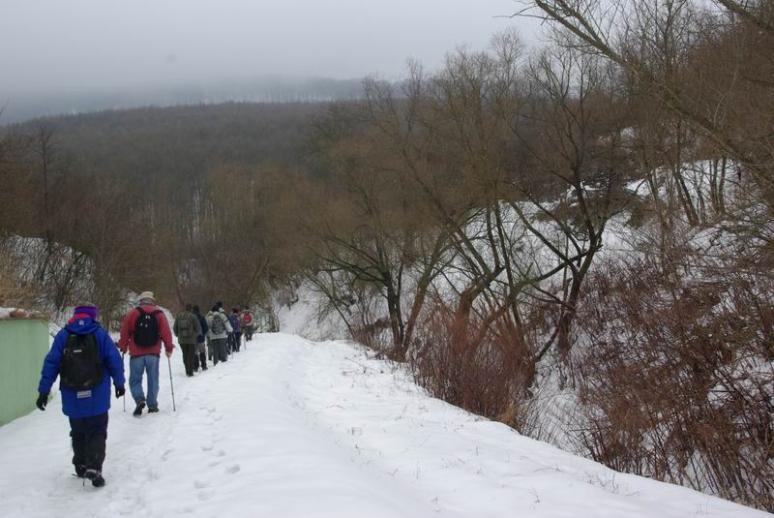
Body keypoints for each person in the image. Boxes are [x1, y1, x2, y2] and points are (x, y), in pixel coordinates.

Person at [36, 304, 125, 488]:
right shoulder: (99, 334)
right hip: (97, 393)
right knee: (97, 429)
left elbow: (51, 362)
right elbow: (113, 358)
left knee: (78, 430)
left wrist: (44, 390)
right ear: (93, 316)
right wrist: (119, 382)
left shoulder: (63, 335)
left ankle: (81, 464)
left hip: (72, 394)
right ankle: (94, 466)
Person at [118, 291, 174, 416]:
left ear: (141, 300)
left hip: (136, 353)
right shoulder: (159, 314)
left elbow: (124, 331)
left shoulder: (133, 313)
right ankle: (152, 405)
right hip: (153, 354)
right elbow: (166, 333)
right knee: (153, 379)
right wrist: (168, 348)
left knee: (135, 379)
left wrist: (123, 346)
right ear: (152, 300)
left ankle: (139, 399)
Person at [173, 304, 202, 377]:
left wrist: (177, 334)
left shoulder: (179, 316)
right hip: (191, 340)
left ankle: (187, 370)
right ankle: (190, 371)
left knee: (185, 355)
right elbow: (198, 328)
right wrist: (196, 335)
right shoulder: (193, 316)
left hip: (182, 340)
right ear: (191, 309)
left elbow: (174, 328)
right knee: (191, 355)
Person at [192, 305, 208, 372]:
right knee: (202, 351)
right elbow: (206, 327)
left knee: (195, 352)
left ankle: (195, 367)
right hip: (201, 337)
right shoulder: (202, 317)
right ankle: (204, 365)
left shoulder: (191, 317)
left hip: (193, 338)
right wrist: (203, 334)